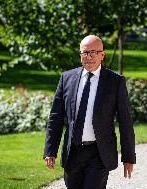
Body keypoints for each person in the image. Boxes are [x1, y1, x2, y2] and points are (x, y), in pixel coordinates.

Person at [43, 35, 136, 189]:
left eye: (94, 52)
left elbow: (125, 121)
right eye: (85, 53)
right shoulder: (67, 78)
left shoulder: (115, 81)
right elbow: (56, 117)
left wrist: (128, 157)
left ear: (102, 55)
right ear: (80, 55)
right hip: (72, 152)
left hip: (99, 153)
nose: (89, 57)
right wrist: (50, 150)